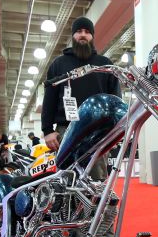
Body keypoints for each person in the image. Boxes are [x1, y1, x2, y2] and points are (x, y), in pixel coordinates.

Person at [41, 16, 120, 178]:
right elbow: (49, 99)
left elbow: (115, 100)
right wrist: (47, 130)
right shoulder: (59, 64)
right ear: (73, 36)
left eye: (87, 32)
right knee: (66, 178)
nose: (83, 35)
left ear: (92, 36)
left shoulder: (104, 64)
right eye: (78, 31)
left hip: (97, 132)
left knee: (96, 179)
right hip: (66, 130)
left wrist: (115, 132)